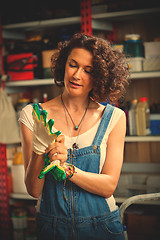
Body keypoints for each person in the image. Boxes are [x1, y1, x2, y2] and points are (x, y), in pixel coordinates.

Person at [19, 32, 130, 240]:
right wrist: (39, 150)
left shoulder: (114, 118)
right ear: (64, 65)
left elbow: (108, 186)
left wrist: (67, 169)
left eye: (88, 70)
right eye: (73, 64)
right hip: (52, 228)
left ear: (99, 77)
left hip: (102, 226)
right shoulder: (33, 116)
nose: (77, 75)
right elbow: (34, 190)